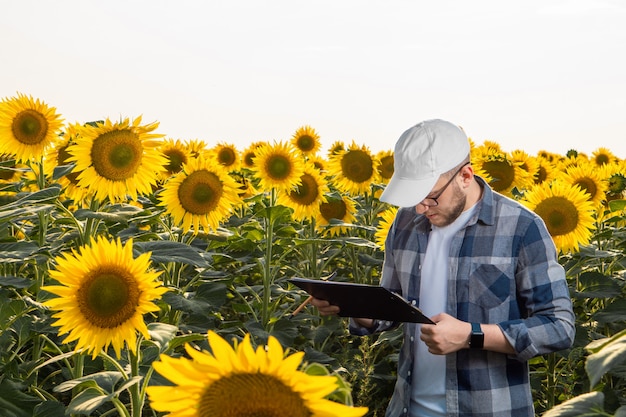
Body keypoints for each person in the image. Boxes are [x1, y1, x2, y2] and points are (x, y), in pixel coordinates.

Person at [311, 119, 575, 417]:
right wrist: (353, 306)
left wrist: (470, 335)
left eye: (431, 196)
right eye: (415, 197)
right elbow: (393, 305)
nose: (422, 207)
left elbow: (558, 327)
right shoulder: (405, 222)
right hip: (409, 407)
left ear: (465, 175)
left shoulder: (522, 228)